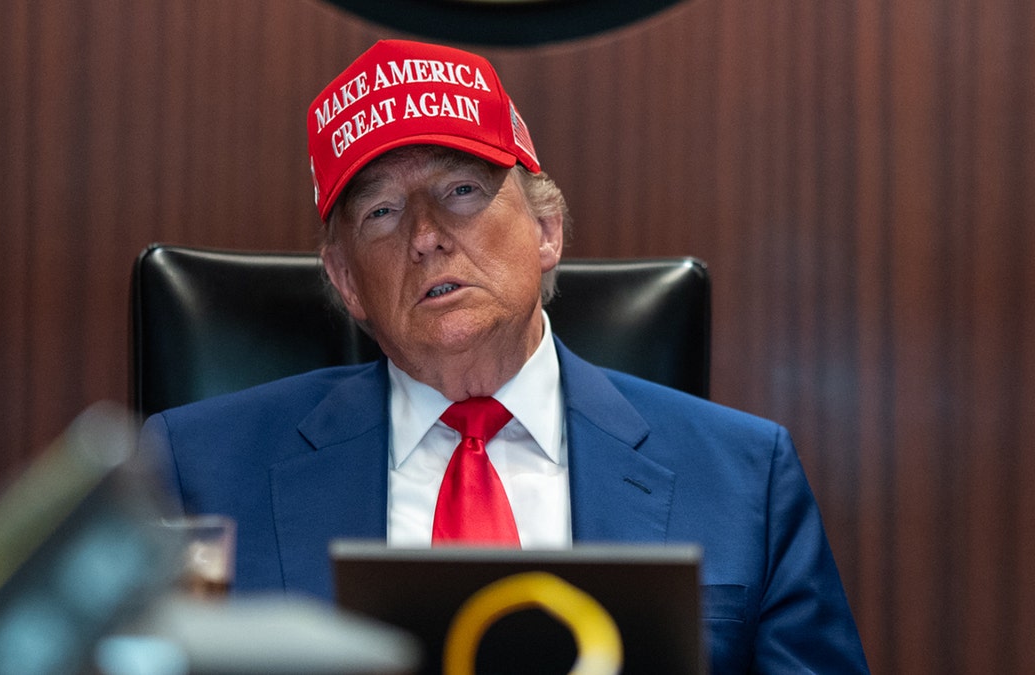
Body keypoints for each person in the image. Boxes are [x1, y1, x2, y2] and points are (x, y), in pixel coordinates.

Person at [141, 39, 869, 672]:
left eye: (461, 189)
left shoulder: (746, 476)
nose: (425, 235)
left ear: (547, 230)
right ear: (345, 281)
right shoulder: (199, 469)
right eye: (381, 212)